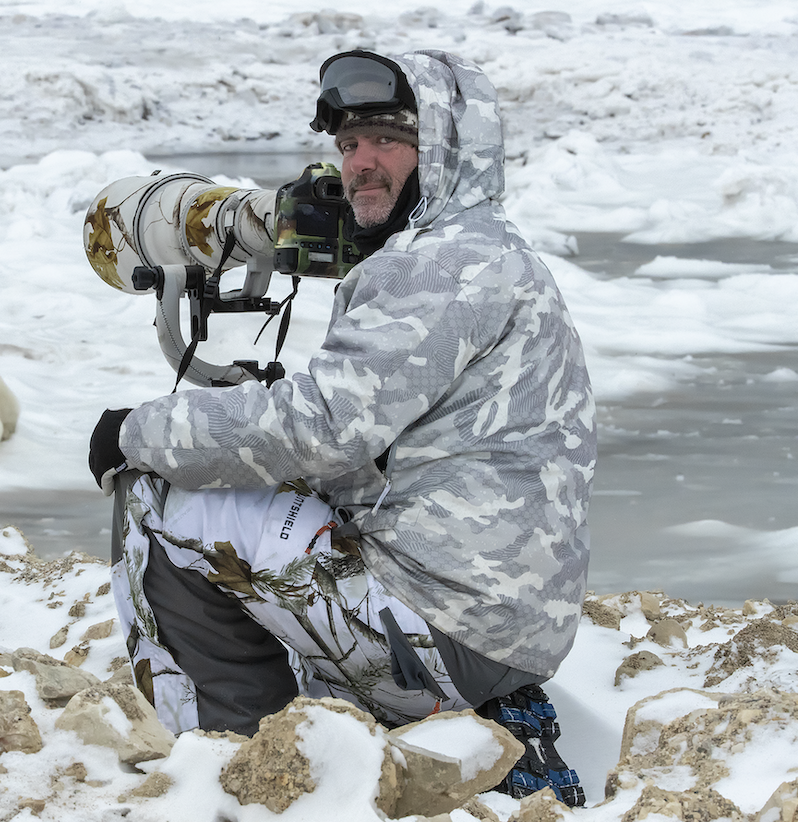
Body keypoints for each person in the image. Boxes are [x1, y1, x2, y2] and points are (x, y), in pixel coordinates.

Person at [88, 49, 595, 806]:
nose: (361, 162)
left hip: (449, 633)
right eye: (350, 144)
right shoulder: (490, 251)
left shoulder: (437, 267)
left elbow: (319, 430)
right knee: (261, 488)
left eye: (388, 140)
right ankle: (417, 710)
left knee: (158, 496)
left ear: (446, 149)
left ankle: (231, 763)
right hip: (507, 628)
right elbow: (356, 438)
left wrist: (135, 432)